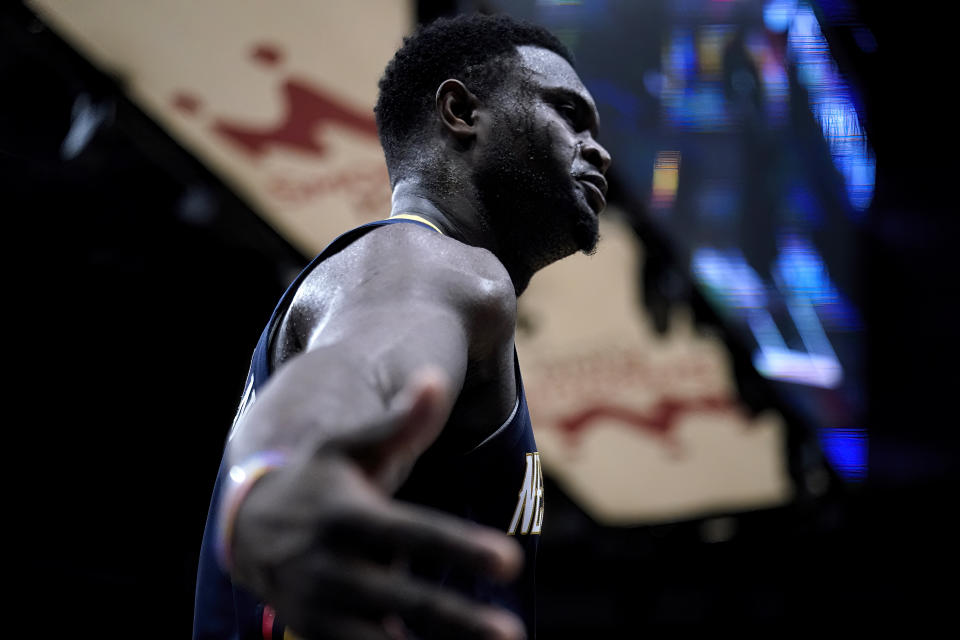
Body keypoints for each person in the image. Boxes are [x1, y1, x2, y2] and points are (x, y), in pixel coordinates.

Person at [193, 13, 610, 640]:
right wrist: (278, 474)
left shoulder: (408, 272)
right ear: (462, 112)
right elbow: (357, 369)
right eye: (568, 114)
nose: (598, 147)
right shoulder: (428, 263)